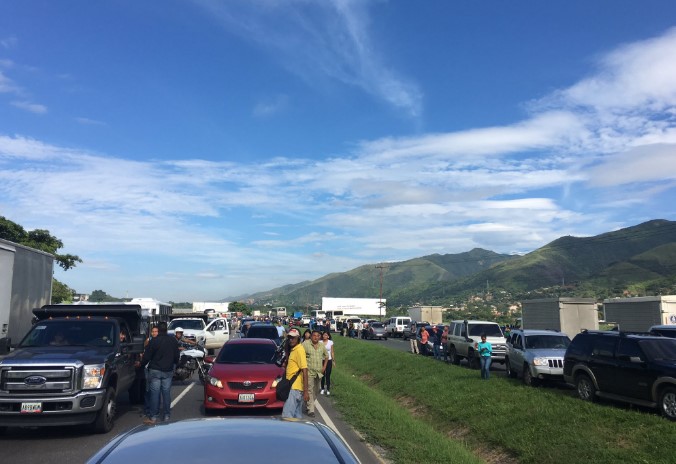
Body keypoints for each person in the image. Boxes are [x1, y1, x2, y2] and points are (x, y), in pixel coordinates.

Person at [142, 322, 179, 424]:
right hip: (168, 370)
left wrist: (141, 364)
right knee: (166, 393)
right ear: (166, 329)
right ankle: (167, 415)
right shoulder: (172, 340)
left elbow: (147, 357)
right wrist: (174, 364)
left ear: (158, 330)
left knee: (155, 393)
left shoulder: (154, 341)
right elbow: (177, 356)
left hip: (155, 370)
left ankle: (153, 417)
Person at [281, 329, 309, 419]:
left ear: (298, 338)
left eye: (293, 338)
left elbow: (305, 369)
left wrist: (306, 391)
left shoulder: (299, 350)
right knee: (297, 417)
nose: (291, 340)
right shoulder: (294, 349)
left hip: (295, 387)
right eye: (289, 338)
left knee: (287, 416)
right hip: (293, 387)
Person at [302, 330, 328, 418]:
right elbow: (301, 355)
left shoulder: (321, 345)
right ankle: (311, 409)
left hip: (319, 372)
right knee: (309, 390)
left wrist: (324, 366)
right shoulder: (305, 344)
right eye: (314, 335)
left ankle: (308, 403)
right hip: (309, 372)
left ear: (319, 337)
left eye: (318, 336)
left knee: (317, 390)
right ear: (311, 336)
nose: (316, 337)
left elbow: (326, 356)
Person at [142, 326, 159, 417]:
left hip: (156, 368)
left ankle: (155, 409)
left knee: (156, 390)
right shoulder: (148, 341)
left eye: (156, 331)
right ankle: (147, 409)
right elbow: (143, 351)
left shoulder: (161, 341)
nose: (154, 333)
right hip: (147, 367)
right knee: (148, 389)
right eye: (153, 331)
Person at [320, 331, 335, 396]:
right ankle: (322, 388)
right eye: (323, 335)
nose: (324, 336)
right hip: (322, 360)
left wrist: (333, 361)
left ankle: (328, 389)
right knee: (322, 375)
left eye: (326, 335)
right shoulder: (320, 342)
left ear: (328, 336)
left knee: (328, 375)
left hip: (329, 360)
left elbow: (332, 352)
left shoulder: (330, 342)